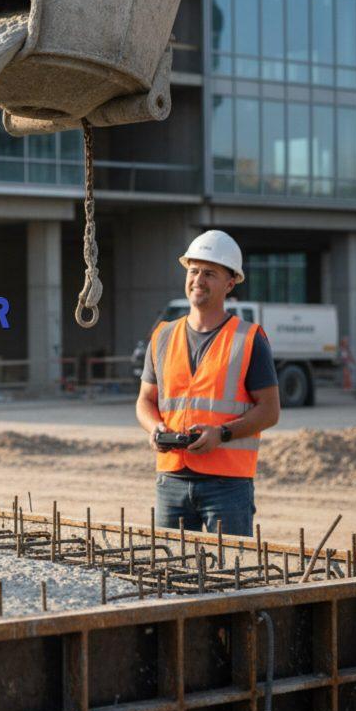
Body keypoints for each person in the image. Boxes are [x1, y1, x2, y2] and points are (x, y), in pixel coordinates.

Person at [135, 230, 281, 536]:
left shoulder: (249, 339)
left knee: (229, 576)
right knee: (169, 574)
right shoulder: (162, 336)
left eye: (210, 274)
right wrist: (155, 428)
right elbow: (145, 401)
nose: (198, 280)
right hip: (171, 478)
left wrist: (222, 433)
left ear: (230, 283)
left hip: (227, 483)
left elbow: (269, 411)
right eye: (194, 271)